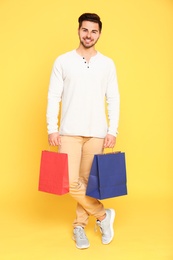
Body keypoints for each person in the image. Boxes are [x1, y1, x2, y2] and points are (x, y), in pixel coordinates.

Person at [46, 13, 120, 249]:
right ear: (78, 30)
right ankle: (103, 215)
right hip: (69, 131)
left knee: (87, 183)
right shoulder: (63, 61)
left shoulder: (107, 64)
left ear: (99, 33)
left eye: (94, 31)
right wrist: (52, 128)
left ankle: (79, 226)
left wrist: (112, 130)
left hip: (97, 132)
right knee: (69, 182)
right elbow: (53, 96)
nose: (89, 35)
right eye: (85, 30)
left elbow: (113, 98)